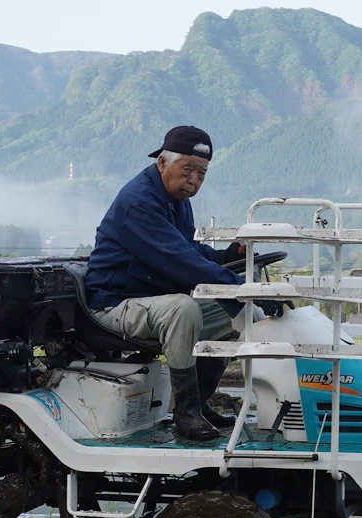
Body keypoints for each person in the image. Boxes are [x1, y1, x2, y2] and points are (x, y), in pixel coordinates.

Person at [85, 126, 282, 440]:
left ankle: (199, 405)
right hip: (116, 302)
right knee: (183, 308)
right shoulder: (140, 202)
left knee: (231, 316)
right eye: (187, 169)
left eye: (201, 174)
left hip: (149, 297)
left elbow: (187, 249)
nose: (194, 180)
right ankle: (186, 415)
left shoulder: (175, 198)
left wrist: (230, 255)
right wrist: (245, 289)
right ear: (163, 163)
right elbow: (181, 261)